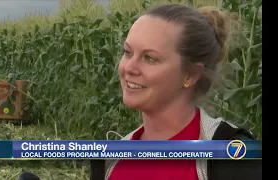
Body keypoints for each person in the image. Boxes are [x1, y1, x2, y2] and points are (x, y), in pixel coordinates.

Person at [98, 3, 262, 180]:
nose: (129, 68)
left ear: (191, 75)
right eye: (128, 52)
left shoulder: (233, 156)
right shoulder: (110, 161)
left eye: (150, 58)